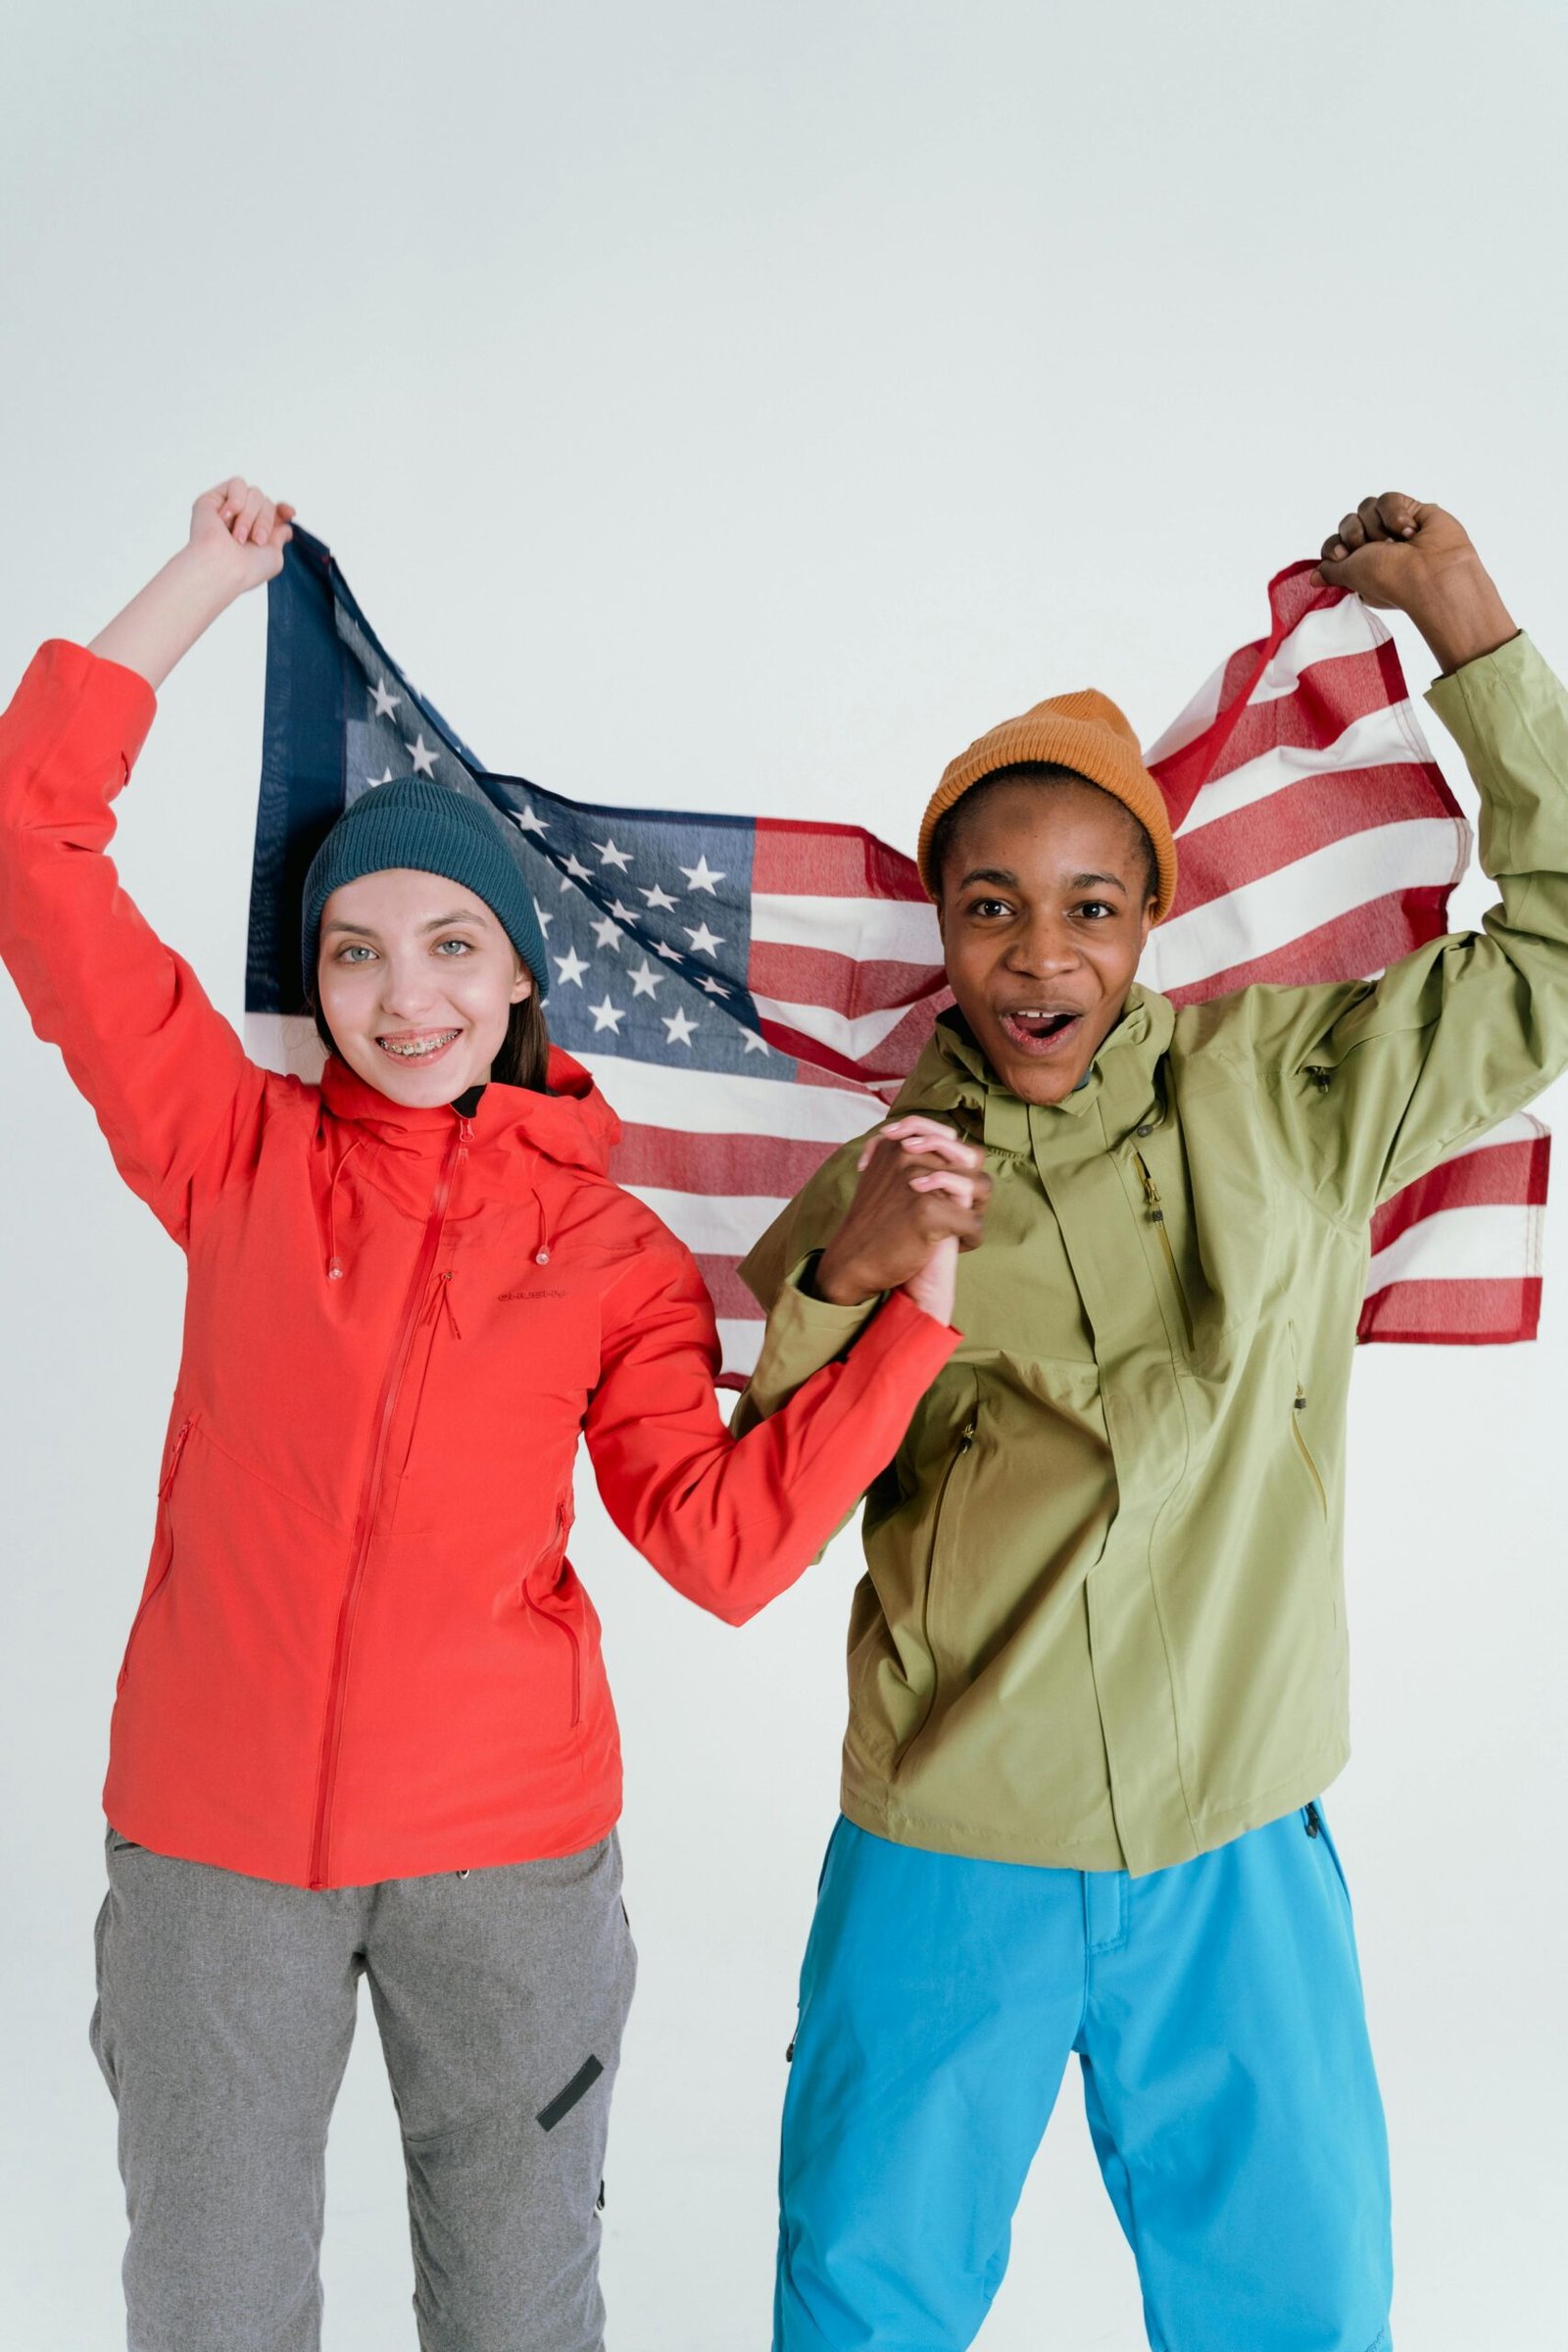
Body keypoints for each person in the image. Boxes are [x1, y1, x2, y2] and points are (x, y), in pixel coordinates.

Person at [0, 479, 990, 2352]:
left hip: (509, 1864)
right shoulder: (234, 1153)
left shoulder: (611, 1251)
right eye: (355, 952)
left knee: (520, 2320)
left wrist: (908, 1330)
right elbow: (30, 835)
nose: (403, 995)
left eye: (453, 945)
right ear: (316, 981)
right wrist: (204, 587)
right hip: (217, 1857)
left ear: (525, 971)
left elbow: (716, 1542)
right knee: (210, 2315)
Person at [735, 492, 1568, 2352]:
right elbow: (753, 1506)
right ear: (942, 929)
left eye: (1091, 908)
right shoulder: (884, 1181)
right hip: (951, 1840)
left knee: (1301, 2307)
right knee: (860, 2302)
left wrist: (1471, 628)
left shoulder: (1291, 1087)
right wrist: (852, 1277)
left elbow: (1558, 941)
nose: (1043, 958)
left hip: (1238, 1839)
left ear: (1152, 917)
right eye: (994, 909)